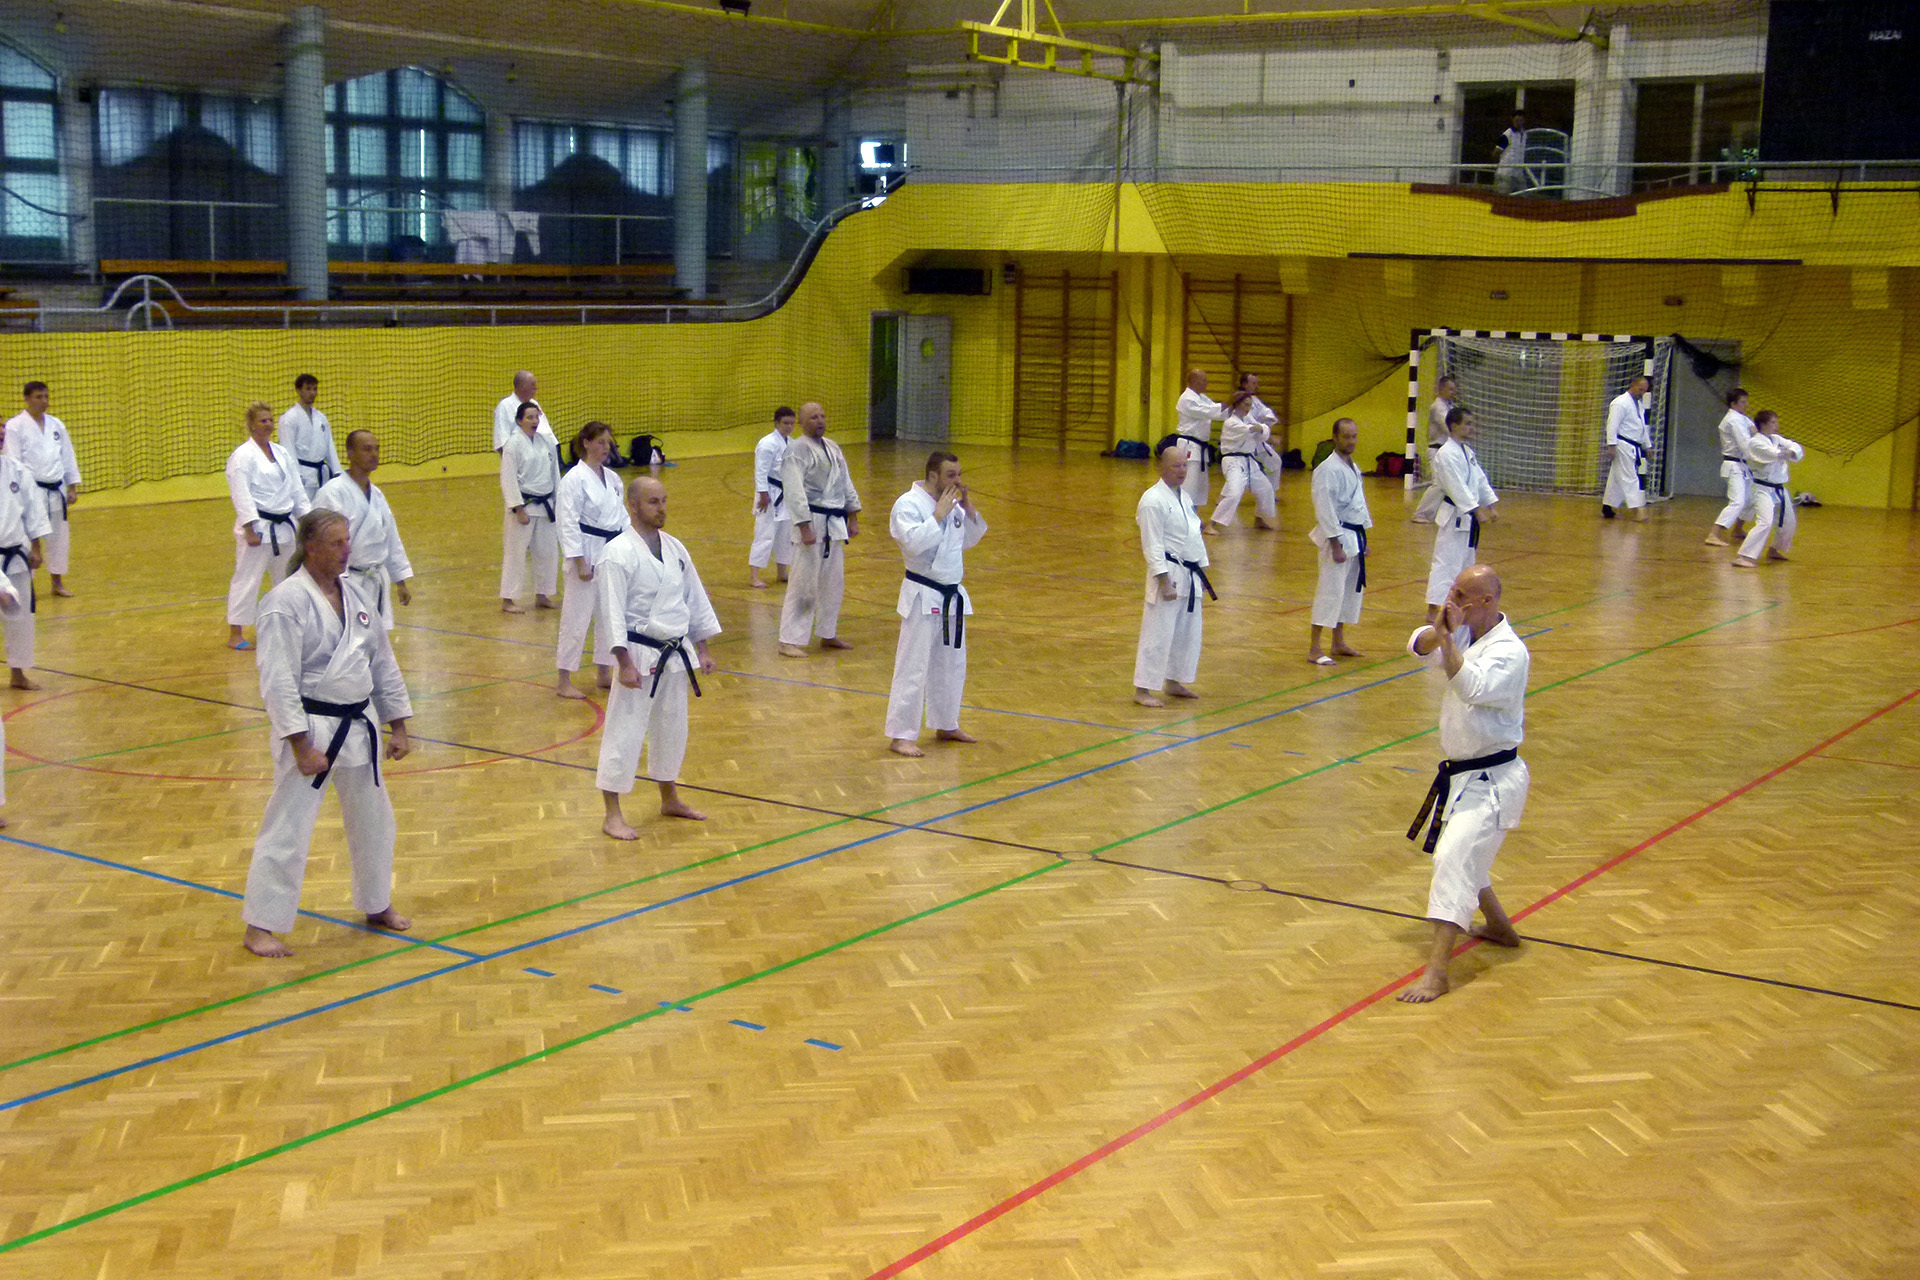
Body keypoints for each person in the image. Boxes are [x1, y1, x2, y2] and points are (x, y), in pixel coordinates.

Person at [239, 509, 414, 958]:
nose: (346, 550)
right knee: (288, 829)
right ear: (311, 547)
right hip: (313, 728)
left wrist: (398, 723)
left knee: (376, 822)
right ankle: (260, 926)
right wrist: (300, 744)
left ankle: (377, 903)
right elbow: (277, 680)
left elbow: (382, 661)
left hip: (359, 723)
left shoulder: (355, 594)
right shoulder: (284, 602)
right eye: (337, 543)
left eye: (348, 541)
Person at [1397, 563, 1528, 1003]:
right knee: (1467, 852)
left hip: (1494, 779)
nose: (1451, 601)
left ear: (1487, 601)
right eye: (1452, 591)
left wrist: (1448, 638)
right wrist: (1441, 632)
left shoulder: (1510, 652)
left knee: (1453, 857)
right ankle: (1500, 928)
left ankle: (1436, 973)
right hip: (1463, 775)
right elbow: (1416, 645)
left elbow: (1469, 686)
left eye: (1460, 595)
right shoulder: (1466, 633)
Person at [596, 475, 721, 838]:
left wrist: (702, 646)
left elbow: (693, 598)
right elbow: (611, 614)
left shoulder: (675, 548)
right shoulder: (616, 553)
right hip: (637, 653)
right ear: (633, 506)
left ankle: (669, 798)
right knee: (624, 732)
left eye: (664, 500)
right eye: (653, 502)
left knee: (672, 729)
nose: (662, 508)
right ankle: (612, 814)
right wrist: (623, 663)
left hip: (675, 653)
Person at [886, 450, 987, 757]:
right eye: (951, 475)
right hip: (922, 594)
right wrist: (938, 516)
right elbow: (912, 544)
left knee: (952, 664)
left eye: (959, 474)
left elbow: (968, 540)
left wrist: (968, 509)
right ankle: (901, 734)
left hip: (952, 596)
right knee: (913, 666)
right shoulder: (908, 504)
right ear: (933, 476)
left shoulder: (951, 503)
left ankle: (946, 723)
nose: (958, 481)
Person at [1133, 435, 1214, 708]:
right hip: (1168, 574)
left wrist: (1202, 569)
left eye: (1184, 465)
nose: (1181, 471)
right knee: (1158, 633)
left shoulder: (1184, 497)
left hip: (1190, 574)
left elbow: (1193, 535)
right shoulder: (1152, 500)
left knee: (1186, 634)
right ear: (1161, 467)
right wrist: (1164, 580)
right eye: (1175, 466)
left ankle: (1174, 680)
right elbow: (1152, 546)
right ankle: (1143, 689)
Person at [778, 401, 861, 657]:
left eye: (822, 416)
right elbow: (794, 490)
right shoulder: (796, 450)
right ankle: (789, 639)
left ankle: (828, 632)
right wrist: (804, 526)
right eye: (813, 417)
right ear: (801, 423)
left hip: (834, 522)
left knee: (833, 581)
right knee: (803, 582)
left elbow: (845, 482)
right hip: (811, 520)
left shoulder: (833, 447)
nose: (820, 421)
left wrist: (853, 514)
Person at [226, 401, 311, 651]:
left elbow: (296, 489)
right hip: (258, 528)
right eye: (263, 420)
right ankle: (235, 633)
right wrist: (249, 527)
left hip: (285, 527)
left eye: (270, 420)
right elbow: (240, 493)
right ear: (251, 425)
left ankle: (286, 625)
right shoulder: (242, 456)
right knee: (247, 579)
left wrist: (308, 520)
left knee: (288, 579)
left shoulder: (281, 453)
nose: (269, 424)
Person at [555, 420, 629, 698]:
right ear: (586, 443)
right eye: (600, 442)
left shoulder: (613, 479)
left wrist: (630, 547)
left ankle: (604, 672)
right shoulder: (573, 479)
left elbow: (621, 517)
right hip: (585, 553)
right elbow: (567, 522)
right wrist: (579, 561)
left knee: (609, 615)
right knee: (576, 618)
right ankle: (564, 680)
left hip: (610, 552)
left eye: (608, 442)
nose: (606, 447)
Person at [311, 430, 414, 630]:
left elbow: (391, 538)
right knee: (348, 638)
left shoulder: (377, 495)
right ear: (350, 453)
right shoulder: (332, 493)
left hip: (376, 578)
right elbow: (319, 542)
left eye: (377, 449)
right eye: (367, 449)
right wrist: (328, 584)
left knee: (377, 639)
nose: (374, 454)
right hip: (346, 580)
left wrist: (400, 581)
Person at [4, 381, 81, 598]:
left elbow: (67, 455)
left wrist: (72, 486)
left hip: (56, 490)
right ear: (27, 398)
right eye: (39, 397)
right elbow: (13, 462)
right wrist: (17, 494)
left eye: (46, 396)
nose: (44, 401)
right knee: (28, 540)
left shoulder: (56, 424)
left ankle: (57, 582)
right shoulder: (15, 426)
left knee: (59, 539)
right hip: (31, 492)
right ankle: (26, 585)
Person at [1425, 406, 1498, 625]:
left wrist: (1491, 504)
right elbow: (1456, 487)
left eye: (1471, 424)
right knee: (1445, 563)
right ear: (1454, 426)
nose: (1471, 428)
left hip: (1467, 519)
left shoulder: (1466, 452)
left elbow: (1479, 479)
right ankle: (1433, 609)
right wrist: (1476, 509)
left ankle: (1457, 607)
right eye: (1467, 424)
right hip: (1454, 518)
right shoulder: (1446, 454)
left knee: (1466, 566)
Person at [1308, 418, 1371, 665]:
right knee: (1330, 591)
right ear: (1335, 438)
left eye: (1354, 436)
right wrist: (1335, 544)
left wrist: (1364, 538)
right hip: (1337, 537)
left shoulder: (1353, 467)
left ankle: (1338, 641)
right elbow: (1324, 509)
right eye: (1346, 436)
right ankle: (1314, 648)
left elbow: (1359, 504)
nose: (1351, 441)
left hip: (1354, 535)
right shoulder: (1327, 469)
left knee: (1347, 593)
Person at [0, 412, 49, 691]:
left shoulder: (17, 470)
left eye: (1, 428)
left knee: (19, 618)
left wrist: (36, 547)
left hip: (15, 555)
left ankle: (17, 675)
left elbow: (33, 511)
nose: (1, 433)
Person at [501, 399, 560, 614]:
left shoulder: (547, 443)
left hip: (546, 506)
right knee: (515, 553)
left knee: (547, 553)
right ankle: (508, 599)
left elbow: (555, 474)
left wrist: (558, 502)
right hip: (524, 506)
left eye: (536, 417)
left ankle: (542, 595)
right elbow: (508, 478)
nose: (534, 421)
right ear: (519, 421)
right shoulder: (513, 445)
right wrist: (518, 508)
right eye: (529, 417)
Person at [1733, 410, 1803, 568]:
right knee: (1765, 522)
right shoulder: (1755, 443)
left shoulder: (1776, 439)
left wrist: (1790, 451)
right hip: (1763, 488)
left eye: (1776, 422)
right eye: (1773, 422)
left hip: (1779, 488)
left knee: (1789, 522)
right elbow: (1774, 455)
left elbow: (1794, 446)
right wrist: (1786, 453)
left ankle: (1774, 549)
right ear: (1763, 425)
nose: (1776, 425)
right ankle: (1744, 556)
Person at [1173, 369, 1245, 511]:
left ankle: (1193, 515)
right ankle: (1185, 515)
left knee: (1198, 487)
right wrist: (1230, 401)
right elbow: (1209, 411)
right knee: (1189, 484)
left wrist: (1235, 405)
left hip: (1200, 447)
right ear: (1194, 381)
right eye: (1203, 381)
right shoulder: (1187, 399)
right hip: (1189, 446)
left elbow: (1219, 413)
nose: (1207, 383)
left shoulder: (1202, 398)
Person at [1208, 388, 1279, 534]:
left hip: (1249, 461)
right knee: (1234, 493)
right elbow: (1250, 430)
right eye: (1246, 404)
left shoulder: (1247, 419)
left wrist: (1261, 428)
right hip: (1233, 461)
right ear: (1238, 404)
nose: (1248, 408)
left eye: (1250, 405)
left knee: (1266, 489)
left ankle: (1259, 519)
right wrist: (1260, 427)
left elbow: (1261, 431)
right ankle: (1211, 524)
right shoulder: (1230, 422)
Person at [749, 406, 797, 588]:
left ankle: (782, 572)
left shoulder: (792, 443)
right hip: (769, 494)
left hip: (786, 495)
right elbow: (760, 471)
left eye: (792, 423)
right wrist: (763, 494)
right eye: (785, 423)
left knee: (785, 534)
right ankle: (754, 576)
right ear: (777, 423)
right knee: (764, 534)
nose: (789, 427)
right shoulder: (767, 443)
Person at [279, 373, 342, 499]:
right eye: (308, 389)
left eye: (315, 389)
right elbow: (288, 449)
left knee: (323, 509)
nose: (312, 393)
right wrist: (296, 476)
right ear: (298, 391)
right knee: (303, 510)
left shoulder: (321, 418)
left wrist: (337, 472)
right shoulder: (289, 418)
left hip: (321, 475)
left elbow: (329, 446)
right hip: (303, 476)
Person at [1705, 386, 1754, 547]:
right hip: (1733, 465)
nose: (1746, 405)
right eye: (1743, 402)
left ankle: (1738, 529)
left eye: (1746, 401)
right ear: (1733, 404)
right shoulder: (1733, 420)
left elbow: (1755, 431)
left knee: (1751, 499)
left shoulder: (1742, 418)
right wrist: (1763, 455)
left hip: (1743, 466)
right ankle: (1713, 534)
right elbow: (1745, 445)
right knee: (1737, 501)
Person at [1601, 374, 1653, 522]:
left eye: (1645, 391)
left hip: (1633, 445)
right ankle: (1639, 510)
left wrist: (1647, 445)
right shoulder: (1620, 403)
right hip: (1623, 445)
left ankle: (1608, 508)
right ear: (1633, 385)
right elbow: (1612, 425)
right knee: (1630, 478)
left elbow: (1641, 427)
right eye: (1640, 389)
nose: (1642, 393)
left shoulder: (1638, 404)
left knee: (1616, 479)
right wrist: (1611, 445)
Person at [1411, 375, 1456, 524]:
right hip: (1436, 451)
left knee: (1447, 484)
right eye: (1450, 389)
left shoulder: (1447, 406)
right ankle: (1421, 513)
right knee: (1438, 484)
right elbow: (1448, 428)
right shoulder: (1438, 407)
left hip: (1444, 451)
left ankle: (1445, 514)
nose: (1453, 392)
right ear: (1442, 389)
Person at [492, 370, 560, 453]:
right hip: (522, 456)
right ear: (522, 386)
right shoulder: (505, 406)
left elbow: (547, 432)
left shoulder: (534, 404)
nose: (536, 388)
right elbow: (501, 442)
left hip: (547, 453)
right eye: (532, 385)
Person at [1494, 110, 1527, 194]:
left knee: (1523, 196)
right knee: (1503, 197)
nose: (1518, 123)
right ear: (1512, 120)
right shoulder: (1506, 135)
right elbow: (1496, 152)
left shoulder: (1524, 134)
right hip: (1505, 173)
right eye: (1517, 120)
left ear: (1524, 121)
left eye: (1521, 120)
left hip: (1518, 173)